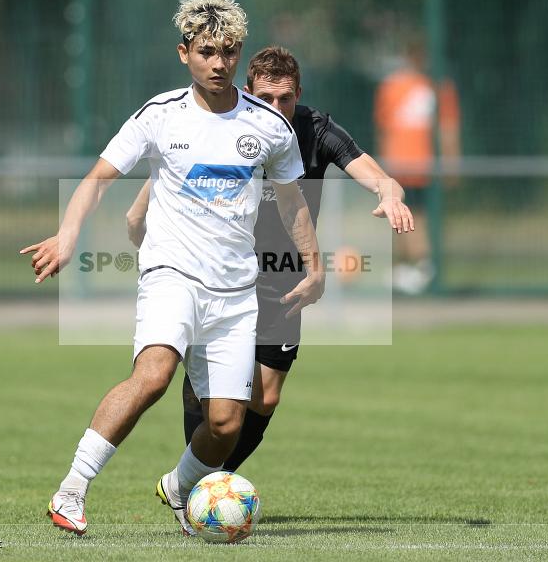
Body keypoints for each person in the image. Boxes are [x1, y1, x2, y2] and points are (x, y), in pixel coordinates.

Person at [19, 0, 324, 537]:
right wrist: (67, 236)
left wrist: (315, 268)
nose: (218, 63)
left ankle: (181, 489)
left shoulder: (268, 126)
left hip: (235, 292)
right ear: (184, 53)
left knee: (226, 424)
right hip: (172, 275)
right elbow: (97, 180)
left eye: (228, 52)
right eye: (206, 51)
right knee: (154, 374)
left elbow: (292, 202)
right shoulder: (160, 116)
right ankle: (72, 489)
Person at [126, 46, 413, 474]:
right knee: (207, 392)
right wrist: (144, 227)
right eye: (266, 98)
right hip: (219, 272)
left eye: (286, 98)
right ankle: (202, 487)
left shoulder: (318, 130)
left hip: (283, 279)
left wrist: (391, 196)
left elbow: (378, 177)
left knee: (265, 396)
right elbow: (163, 183)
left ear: (299, 93)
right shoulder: (227, 124)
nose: (276, 108)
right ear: (248, 91)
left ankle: (206, 480)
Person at [374, 35, 460, 294]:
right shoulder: (391, 87)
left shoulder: (437, 88)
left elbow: (447, 129)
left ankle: (422, 265)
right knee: (398, 214)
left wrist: (450, 162)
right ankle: (407, 268)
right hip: (397, 165)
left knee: (415, 215)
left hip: (421, 165)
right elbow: (384, 129)